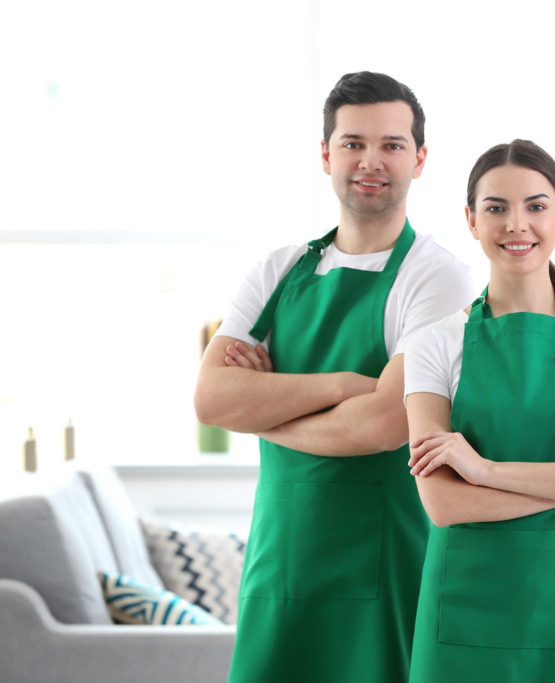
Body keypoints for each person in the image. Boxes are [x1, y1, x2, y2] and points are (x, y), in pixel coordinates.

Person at [193, 71, 476, 682]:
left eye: (392, 145)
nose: (371, 161)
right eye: (353, 143)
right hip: (280, 563)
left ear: (420, 159)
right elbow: (212, 399)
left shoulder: (437, 277)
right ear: (326, 155)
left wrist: (264, 411)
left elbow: (383, 424)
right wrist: (343, 386)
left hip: (385, 566)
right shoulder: (278, 270)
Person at [403, 139, 555, 683]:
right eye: (496, 207)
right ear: (471, 220)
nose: (517, 224)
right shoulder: (434, 345)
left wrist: (484, 471)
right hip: (464, 616)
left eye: (536, 206)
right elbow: (444, 502)